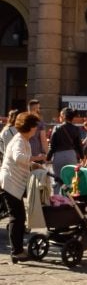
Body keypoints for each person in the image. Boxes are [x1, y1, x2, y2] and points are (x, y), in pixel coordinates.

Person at [0, 111, 41, 262]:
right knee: (17, 218)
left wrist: (33, 165)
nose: (36, 129)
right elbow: (18, 157)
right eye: (35, 126)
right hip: (10, 183)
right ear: (29, 127)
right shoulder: (19, 140)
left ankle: (17, 250)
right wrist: (36, 159)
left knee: (17, 217)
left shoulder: (23, 139)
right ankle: (17, 251)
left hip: (14, 182)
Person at [47, 107, 84, 184]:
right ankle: (67, 196)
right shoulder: (76, 129)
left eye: (60, 115)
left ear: (63, 116)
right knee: (69, 181)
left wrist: (48, 158)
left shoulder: (57, 128)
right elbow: (79, 145)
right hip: (71, 156)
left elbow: (52, 146)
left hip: (58, 156)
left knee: (57, 180)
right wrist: (82, 157)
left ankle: (57, 195)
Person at [26, 99, 48, 167]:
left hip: (24, 152)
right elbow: (43, 139)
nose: (39, 110)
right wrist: (47, 154)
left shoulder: (22, 120)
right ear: (35, 109)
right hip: (36, 154)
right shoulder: (39, 122)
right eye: (38, 108)